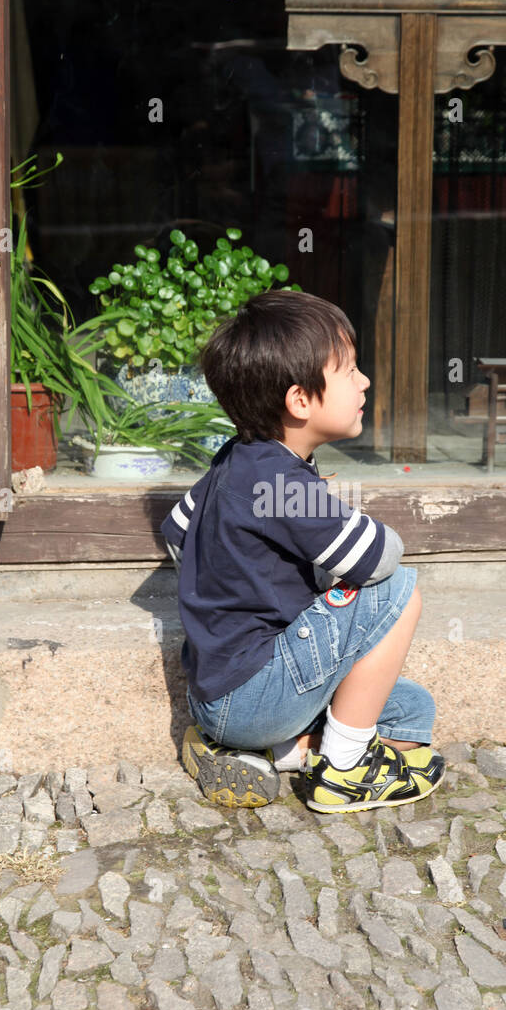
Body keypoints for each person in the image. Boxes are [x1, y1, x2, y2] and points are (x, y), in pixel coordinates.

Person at [160, 289, 445, 814]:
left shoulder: (238, 458)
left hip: (226, 691)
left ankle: (266, 751)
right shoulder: (281, 484)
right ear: (299, 401)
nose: (364, 381)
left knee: (410, 716)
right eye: (351, 371)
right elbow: (377, 556)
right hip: (255, 692)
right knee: (400, 592)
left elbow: (177, 528)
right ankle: (341, 772)